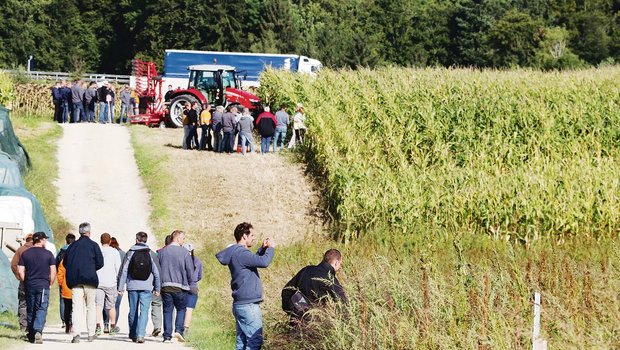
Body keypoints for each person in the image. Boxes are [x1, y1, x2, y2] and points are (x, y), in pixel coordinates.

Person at [216, 222, 275, 350]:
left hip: (240, 304)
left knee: (242, 343)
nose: (254, 237)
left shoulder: (236, 253)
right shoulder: (241, 253)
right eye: (252, 235)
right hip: (248, 306)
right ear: (244, 236)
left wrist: (262, 249)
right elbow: (264, 262)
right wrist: (271, 248)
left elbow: (252, 260)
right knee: (254, 342)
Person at [63, 222, 104, 343]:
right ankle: (91, 334)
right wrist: (91, 268)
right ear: (89, 232)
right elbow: (100, 263)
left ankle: (76, 334)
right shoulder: (94, 245)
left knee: (76, 308)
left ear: (79, 232)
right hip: (90, 281)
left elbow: (65, 263)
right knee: (90, 307)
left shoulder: (72, 246)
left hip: (76, 281)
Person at [118, 231, 161, 343]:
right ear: (146, 240)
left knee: (133, 311)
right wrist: (157, 288)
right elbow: (156, 272)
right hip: (146, 287)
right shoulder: (151, 253)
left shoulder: (130, 252)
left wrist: (120, 287)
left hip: (132, 286)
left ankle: (133, 334)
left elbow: (124, 270)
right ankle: (141, 335)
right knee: (144, 311)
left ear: (136, 240)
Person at [281, 249, 347, 320]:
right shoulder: (331, 280)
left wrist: (293, 311)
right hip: (316, 325)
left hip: (296, 321)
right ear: (336, 262)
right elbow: (343, 304)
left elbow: (286, 290)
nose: (340, 266)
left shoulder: (306, 270)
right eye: (340, 264)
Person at [17, 232, 56, 344]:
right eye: (45, 240)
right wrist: (50, 283)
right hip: (43, 285)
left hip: (29, 285)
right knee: (41, 308)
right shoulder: (48, 254)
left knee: (30, 309)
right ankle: (38, 331)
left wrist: (26, 280)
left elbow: (20, 270)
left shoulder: (25, 253)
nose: (46, 242)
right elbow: (53, 270)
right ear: (42, 240)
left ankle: (31, 333)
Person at [158, 230, 194, 343]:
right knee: (181, 308)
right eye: (183, 238)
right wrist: (189, 281)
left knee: (167, 310)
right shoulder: (184, 252)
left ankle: (167, 336)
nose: (184, 241)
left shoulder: (162, 252)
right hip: (180, 286)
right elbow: (190, 269)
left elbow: (157, 269)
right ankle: (178, 330)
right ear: (177, 238)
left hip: (165, 285)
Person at [95, 233, 122, 336]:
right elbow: (118, 269)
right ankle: (112, 326)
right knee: (111, 306)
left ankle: (98, 326)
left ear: (101, 241)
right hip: (111, 283)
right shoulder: (114, 252)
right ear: (110, 241)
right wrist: (119, 284)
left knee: (98, 305)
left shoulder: (97, 251)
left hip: (98, 282)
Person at [11, 233, 34, 332]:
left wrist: (19, 276)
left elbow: (13, 265)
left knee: (23, 303)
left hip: (24, 281)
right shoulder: (39, 249)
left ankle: (24, 327)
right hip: (35, 281)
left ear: (26, 240)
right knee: (34, 303)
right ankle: (33, 326)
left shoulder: (20, 250)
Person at [55, 233, 76, 330]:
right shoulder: (76, 252)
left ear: (66, 240)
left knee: (63, 301)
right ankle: (71, 320)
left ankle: (64, 320)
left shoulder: (61, 252)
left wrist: (60, 281)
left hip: (63, 279)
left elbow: (56, 265)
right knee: (73, 301)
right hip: (74, 281)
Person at [104, 237, 124, 331]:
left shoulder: (106, 252)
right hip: (119, 283)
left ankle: (106, 324)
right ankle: (114, 325)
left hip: (107, 281)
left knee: (106, 304)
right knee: (116, 305)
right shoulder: (122, 253)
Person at [182, 243, 202, 335]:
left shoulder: (182, 259)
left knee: (181, 308)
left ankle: (178, 327)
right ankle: (185, 329)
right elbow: (199, 276)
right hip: (193, 287)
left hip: (183, 286)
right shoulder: (197, 261)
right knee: (189, 309)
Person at [57, 250, 73, 334]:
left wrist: (61, 284)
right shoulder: (76, 261)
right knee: (75, 309)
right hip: (75, 288)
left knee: (67, 308)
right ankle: (73, 325)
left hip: (66, 288)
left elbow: (59, 274)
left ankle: (67, 325)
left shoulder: (63, 262)